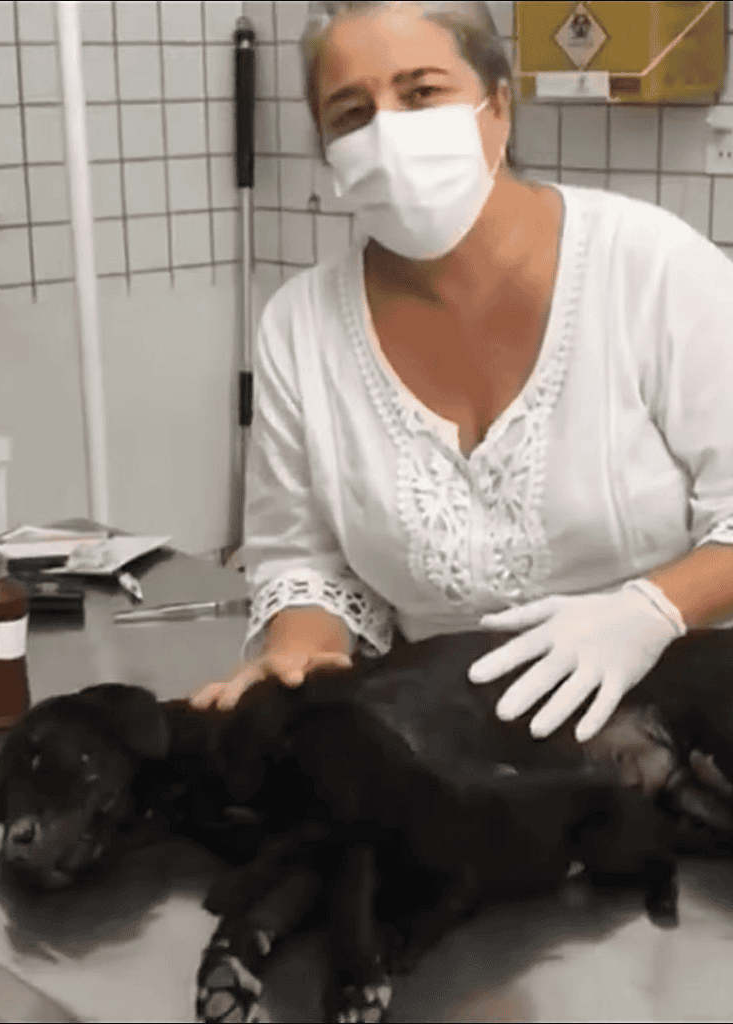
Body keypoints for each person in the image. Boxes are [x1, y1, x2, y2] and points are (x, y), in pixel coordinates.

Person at [191, 1, 733, 744]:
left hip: (683, 728)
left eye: (421, 93)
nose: (388, 131)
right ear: (328, 152)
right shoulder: (300, 325)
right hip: (451, 748)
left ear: (498, 104)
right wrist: (302, 653)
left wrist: (651, 609)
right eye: (351, 114)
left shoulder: (653, 271)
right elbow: (302, 558)